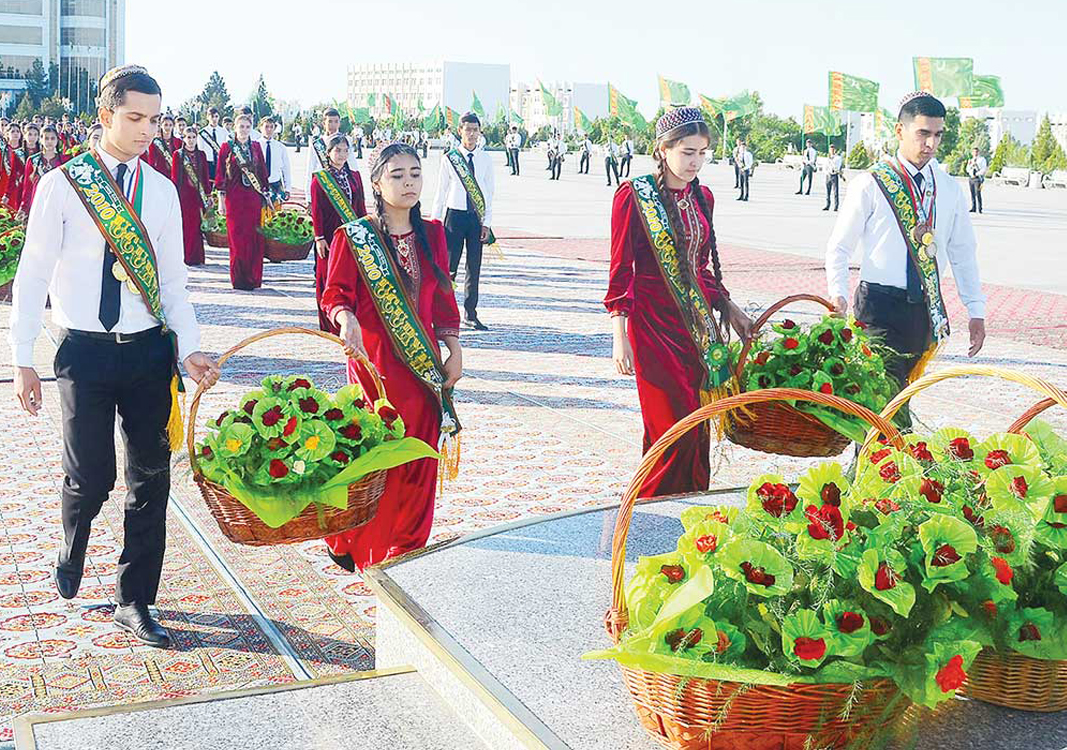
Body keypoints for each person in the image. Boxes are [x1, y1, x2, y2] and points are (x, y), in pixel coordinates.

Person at [10, 64, 219, 649]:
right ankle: (72, 539)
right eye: (135, 118)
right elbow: (31, 276)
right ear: (106, 115)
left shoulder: (161, 190)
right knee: (91, 475)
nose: (146, 130)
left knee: (151, 477)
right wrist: (22, 356)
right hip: (83, 352)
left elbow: (173, 281)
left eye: (154, 119)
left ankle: (136, 599)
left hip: (149, 351)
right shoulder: (62, 184)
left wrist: (191, 346)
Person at [320, 142, 462, 571]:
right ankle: (352, 537)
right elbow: (335, 295)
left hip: (422, 370)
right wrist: (347, 320)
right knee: (375, 457)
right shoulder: (354, 237)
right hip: (374, 366)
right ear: (377, 182)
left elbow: (442, 300)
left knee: (419, 457)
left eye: (416, 174)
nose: (408, 183)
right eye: (397, 175)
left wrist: (454, 347)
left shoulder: (433, 233)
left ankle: (407, 548)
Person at [606, 107, 753, 498]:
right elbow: (622, 270)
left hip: (697, 331)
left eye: (703, 153)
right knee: (667, 426)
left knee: (696, 423)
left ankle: (691, 507)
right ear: (664, 149)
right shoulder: (633, 197)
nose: (696, 162)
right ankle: (649, 511)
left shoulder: (702, 196)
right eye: (688, 152)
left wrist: (729, 307)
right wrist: (619, 336)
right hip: (652, 326)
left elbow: (700, 267)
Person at [826, 92, 986, 420]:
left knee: (894, 398)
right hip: (877, 310)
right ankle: (895, 463)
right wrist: (837, 293)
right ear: (900, 131)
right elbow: (839, 247)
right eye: (923, 133)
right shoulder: (871, 183)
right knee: (886, 398)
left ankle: (873, 467)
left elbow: (962, 252)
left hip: (922, 311)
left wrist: (976, 309)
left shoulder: (948, 188)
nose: (931, 143)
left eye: (938, 135)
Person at [431, 112, 494, 331]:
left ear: (480, 132)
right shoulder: (450, 158)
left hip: (475, 218)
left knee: (473, 267)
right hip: (454, 217)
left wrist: (487, 222)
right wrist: (435, 221)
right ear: (460, 131)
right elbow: (441, 191)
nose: (472, 134)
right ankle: (443, 313)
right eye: (468, 129)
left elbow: (489, 192)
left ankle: (470, 313)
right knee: (449, 268)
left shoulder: (485, 159)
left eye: (475, 130)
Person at [311, 134, 367, 332]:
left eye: (345, 150)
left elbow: (360, 206)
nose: (341, 154)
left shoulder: (355, 176)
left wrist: (366, 230)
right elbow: (316, 211)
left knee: (351, 275)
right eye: (337, 150)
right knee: (328, 276)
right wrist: (319, 238)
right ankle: (329, 323)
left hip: (352, 234)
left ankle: (350, 318)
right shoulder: (320, 179)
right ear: (328, 153)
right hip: (330, 234)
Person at [215, 113, 270, 290]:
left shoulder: (256, 147)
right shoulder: (227, 147)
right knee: (237, 239)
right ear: (235, 128)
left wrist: (266, 195)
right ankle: (239, 279)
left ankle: (253, 278)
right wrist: (220, 201)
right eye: (241, 127)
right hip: (234, 198)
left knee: (254, 238)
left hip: (253, 198)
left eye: (247, 127)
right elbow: (220, 174)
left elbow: (262, 172)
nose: (244, 130)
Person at [171, 125, 212, 265]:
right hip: (184, 195)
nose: (191, 140)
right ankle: (185, 256)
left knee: (197, 227)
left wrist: (208, 194)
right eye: (188, 137)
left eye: (194, 137)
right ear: (183, 138)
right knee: (185, 226)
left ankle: (197, 257)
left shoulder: (201, 155)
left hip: (197, 195)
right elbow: (175, 177)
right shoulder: (178, 154)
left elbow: (205, 176)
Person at [305, 108, 358, 198]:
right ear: (324, 123)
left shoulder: (346, 140)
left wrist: (356, 187)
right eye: (330, 121)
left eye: (336, 121)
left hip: (341, 184)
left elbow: (352, 164)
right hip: (322, 183)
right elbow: (310, 167)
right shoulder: (316, 142)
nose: (333, 125)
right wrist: (308, 196)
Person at [18, 125, 67, 217]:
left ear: (57, 140)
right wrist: (24, 207)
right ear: (41, 139)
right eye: (46, 138)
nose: (49, 142)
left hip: (58, 204)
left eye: (52, 138)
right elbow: (27, 186)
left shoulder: (64, 160)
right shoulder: (32, 160)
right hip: (37, 203)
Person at [258, 116, 291, 205]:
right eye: (266, 127)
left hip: (275, 185)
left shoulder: (280, 147)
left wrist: (287, 188)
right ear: (260, 128)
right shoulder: (255, 145)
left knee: (276, 215)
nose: (269, 129)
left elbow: (286, 169)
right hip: (259, 186)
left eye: (271, 127)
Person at [198, 107, 230, 181]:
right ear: (208, 117)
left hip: (221, 162)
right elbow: (200, 150)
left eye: (216, 116)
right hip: (207, 163)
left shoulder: (224, 132)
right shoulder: (202, 133)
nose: (214, 119)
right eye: (212, 116)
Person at [4, 123, 27, 210]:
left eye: (18, 131)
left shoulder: (24, 151)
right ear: (7, 134)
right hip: (5, 185)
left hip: (21, 187)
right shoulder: (3, 150)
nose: (16, 133)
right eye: (12, 131)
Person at [822, 143, 844, 212]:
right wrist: (826, 172)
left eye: (833, 149)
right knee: (828, 192)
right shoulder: (827, 158)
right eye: (830, 149)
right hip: (828, 175)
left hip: (834, 175)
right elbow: (824, 167)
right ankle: (827, 205)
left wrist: (832, 163)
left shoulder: (838, 158)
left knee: (835, 192)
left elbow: (837, 166)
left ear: (835, 150)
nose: (832, 150)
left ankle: (836, 206)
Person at [967, 146, 987, 214]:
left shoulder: (982, 159)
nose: (975, 153)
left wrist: (977, 174)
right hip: (971, 178)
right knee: (972, 193)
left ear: (978, 152)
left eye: (976, 152)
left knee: (978, 193)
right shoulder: (971, 160)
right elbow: (967, 169)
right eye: (974, 152)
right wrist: (970, 165)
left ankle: (980, 208)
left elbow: (983, 169)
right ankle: (973, 207)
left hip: (978, 178)